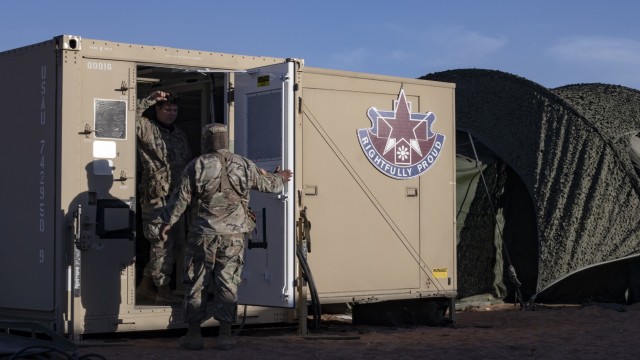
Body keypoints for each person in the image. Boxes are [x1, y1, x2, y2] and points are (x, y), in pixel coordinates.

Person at [158, 123, 292, 351]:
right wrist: (281, 176)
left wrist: (167, 223)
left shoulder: (197, 165)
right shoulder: (244, 164)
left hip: (202, 235)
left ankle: (193, 335)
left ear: (206, 140)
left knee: (196, 283)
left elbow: (180, 199)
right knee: (227, 284)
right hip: (233, 237)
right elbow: (270, 185)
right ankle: (225, 335)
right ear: (226, 139)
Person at [135, 90, 192, 305]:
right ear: (157, 110)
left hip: (176, 198)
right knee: (161, 243)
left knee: (176, 244)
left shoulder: (179, 134)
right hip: (156, 197)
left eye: (174, 110)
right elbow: (127, 115)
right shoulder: (146, 127)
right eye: (167, 109)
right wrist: (150, 99)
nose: (171, 113)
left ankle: (146, 287)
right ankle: (161, 289)